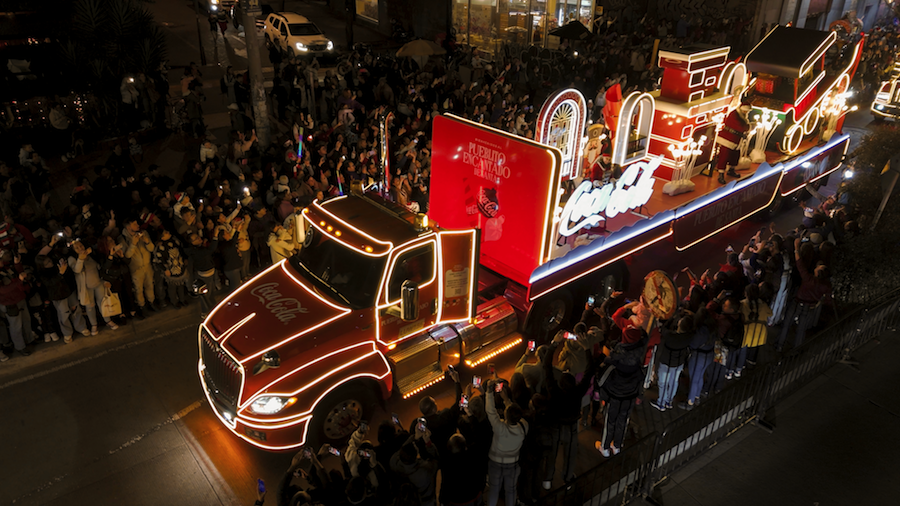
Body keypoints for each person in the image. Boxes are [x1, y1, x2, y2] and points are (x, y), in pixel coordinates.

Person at [594, 300, 648, 457]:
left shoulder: (617, 355)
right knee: (623, 420)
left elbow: (605, 370)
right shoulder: (639, 350)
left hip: (616, 393)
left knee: (610, 420)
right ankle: (617, 445)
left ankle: (605, 447)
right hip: (630, 394)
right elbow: (644, 337)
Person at [484, 377, 529, 506]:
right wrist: (506, 400)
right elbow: (515, 413)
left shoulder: (500, 428)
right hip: (513, 463)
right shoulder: (524, 426)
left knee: (494, 489)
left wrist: (488, 392)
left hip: (495, 463)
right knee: (511, 490)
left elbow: (490, 411)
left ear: (506, 415)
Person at [652, 314, 694, 411]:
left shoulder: (671, 336)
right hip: (679, 363)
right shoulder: (689, 336)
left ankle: (661, 403)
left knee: (663, 383)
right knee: (674, 382)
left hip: (666, 362)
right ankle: (669, 401)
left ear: (680, 324)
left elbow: (663, 328)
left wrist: (672, 317)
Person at [390, 427, 439, 506]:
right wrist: (428, 442)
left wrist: (415, 437)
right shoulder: (425, 470)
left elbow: (402, 450)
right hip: (426, 502)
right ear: (416, 455)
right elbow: (435, 460)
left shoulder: (394, 462)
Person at [119, 217, 157, 317]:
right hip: (136, 269)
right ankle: (142, 306)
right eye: (134, 224)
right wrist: (133, 244)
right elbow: (126, 256)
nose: (138, 226)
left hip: (147, 265)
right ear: (128, 227)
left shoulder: (143, 233)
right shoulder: (123, 239)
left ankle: (151, 302)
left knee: (150, 285)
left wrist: (147, 241)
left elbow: (152, 248)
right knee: (138, 289)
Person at [715, 98, 751, 184]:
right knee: (724, 156)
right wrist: (748, 127)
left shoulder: (741, 115)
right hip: (728, 138)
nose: (746, 113)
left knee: (735, 155)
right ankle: (721, 174)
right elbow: (741, 127)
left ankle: (731, 170)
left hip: (736, 139)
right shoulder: (734, 115)